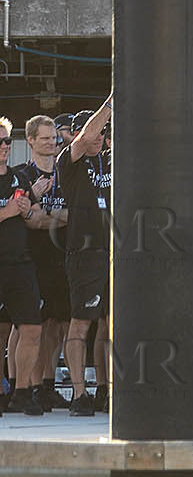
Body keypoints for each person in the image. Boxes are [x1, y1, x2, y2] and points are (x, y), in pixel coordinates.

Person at [56, 95, 111, 415]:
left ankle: (106, 389)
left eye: (104, 133)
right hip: (84, 253)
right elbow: (87, 137)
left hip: (113, 253)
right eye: (94, 133)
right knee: (81, 324)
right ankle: (79, 394)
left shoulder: (111, 159)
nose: (99, 138)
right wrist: (113, 101)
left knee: (110, 326)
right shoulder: (70, 161)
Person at [16, 116, 68, 412]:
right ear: (32, 140)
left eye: (54, 138)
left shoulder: (66, 172)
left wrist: (48, 217)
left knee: (56, 325)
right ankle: (30, 387)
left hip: (61, 257)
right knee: (30, 326)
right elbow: (31, 221)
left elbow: (43, 217)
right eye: (45, 138)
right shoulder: (23, 175)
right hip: (31, 258)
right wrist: (61, 217)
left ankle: (47, 384)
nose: (51, 143)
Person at [0, 117, 45, 415]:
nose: (5, 147)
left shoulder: (19, 177)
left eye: (7, 141)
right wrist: (7, 211)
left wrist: (29, 211)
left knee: (32, 328)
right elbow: (8, 212)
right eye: (0, 142)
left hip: (20, 263)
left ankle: (23, 391)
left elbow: (37, 216)